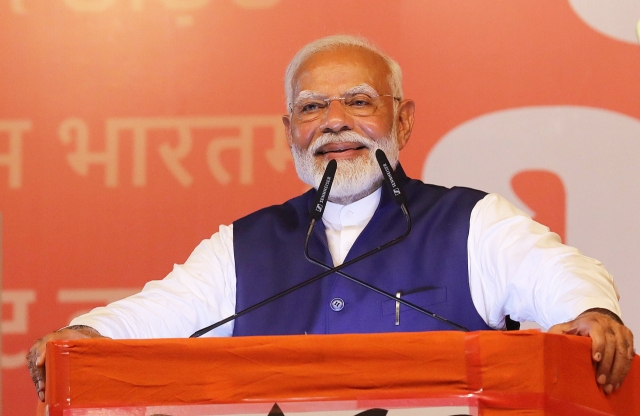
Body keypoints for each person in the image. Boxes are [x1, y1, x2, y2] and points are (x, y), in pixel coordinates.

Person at [28, 35, 634, 401]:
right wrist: (86, 337)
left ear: (403, 121)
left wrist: (588, 311)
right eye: (311, 107)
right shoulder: (242, 245)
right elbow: (156, 313)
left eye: (359, 102)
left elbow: (558, 273)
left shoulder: (472, 220)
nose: (334, 121)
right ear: (289, 130)